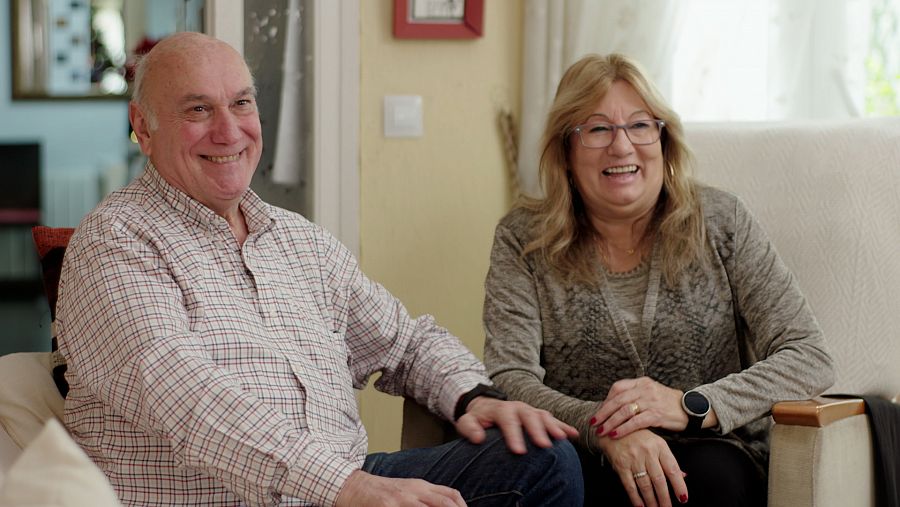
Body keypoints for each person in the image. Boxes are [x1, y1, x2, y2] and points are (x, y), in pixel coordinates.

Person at [55, 32, 584, 507]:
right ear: (142, 128)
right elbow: (184, 397)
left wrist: (475, 395)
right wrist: (345, 487)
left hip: (345, 486)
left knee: (543, 458)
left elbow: (406, 341)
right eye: (198, 110)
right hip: (234, 499)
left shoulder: (298, 240)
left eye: (241, 103)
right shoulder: (117, 239)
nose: (228, 130)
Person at [482, 53, 835, 507]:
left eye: (640, 125)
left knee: (702, 480)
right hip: (581, 457)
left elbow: (809, 356)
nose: (622, 146)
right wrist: (604, 429)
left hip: (714, 454)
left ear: (663, 140)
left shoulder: (722, 221)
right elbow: (509, 378)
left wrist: (692, 405)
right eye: (597, 129)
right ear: (566, 151)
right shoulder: (522, 239)